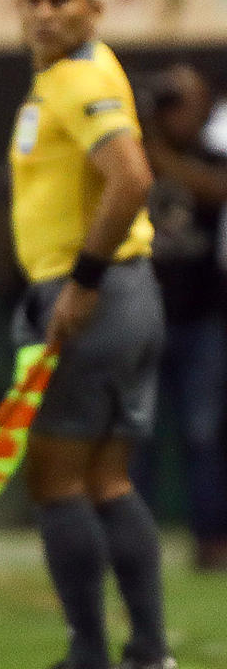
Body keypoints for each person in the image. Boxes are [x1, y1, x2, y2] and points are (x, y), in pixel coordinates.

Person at [2, 0, 174, 669]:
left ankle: (90, 656)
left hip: (95, 295)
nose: (46, 12)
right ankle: (149, 652)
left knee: (56, 476)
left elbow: (133, 178)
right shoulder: (65, 79)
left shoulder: (81, 79)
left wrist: (82, 281)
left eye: (62, 0)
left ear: (94, 9)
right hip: (128, 294)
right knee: (107, 477)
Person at [139, 64, 227, 572]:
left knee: (203, 433)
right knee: (140, 438)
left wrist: (161, 155)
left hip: (201, 317)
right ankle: (139, 541)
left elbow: (216, 190)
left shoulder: (210, 156)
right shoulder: (134, 157)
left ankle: (211, 539)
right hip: (146, 316)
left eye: (190, 102)